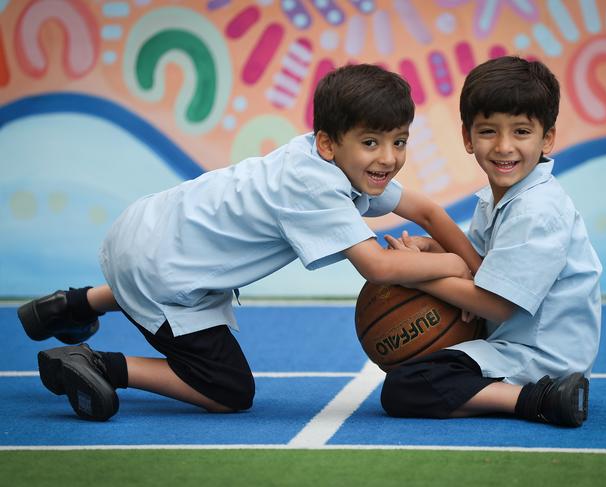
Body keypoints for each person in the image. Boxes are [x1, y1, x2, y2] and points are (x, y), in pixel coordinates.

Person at [18, 64, 482, 421]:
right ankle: (98, 363)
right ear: (328, 143)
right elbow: (378, 268)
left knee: (181, 282)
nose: (389, 157)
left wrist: (477, 266)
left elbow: (426, 212)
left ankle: (73, 306)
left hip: (149, 231)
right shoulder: (316, 188)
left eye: (399, 142)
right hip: (159, 270)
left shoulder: (323, 160)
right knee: (227, 390)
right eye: (372, 142)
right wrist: (457, 271)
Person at [381, 56, 602, 427]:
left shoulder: (537, 210)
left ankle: (539, 398)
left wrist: (413, 274)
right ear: (467, 137)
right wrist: (429, 250)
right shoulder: (499, 197)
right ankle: (528, 393)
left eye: (520, 132)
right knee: (412, 366)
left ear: (547, 138)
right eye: (488, 132)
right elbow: (478, 264)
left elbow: (497, 305)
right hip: (510, 343)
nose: (503, 147)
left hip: (540, 357)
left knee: (407, 386)